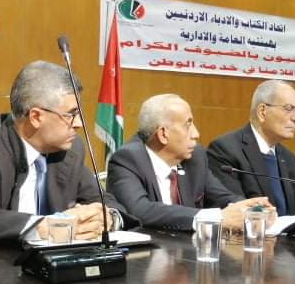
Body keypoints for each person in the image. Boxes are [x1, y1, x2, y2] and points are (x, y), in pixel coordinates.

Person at [0, 60, 133, 245]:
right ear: (36, 117)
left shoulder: (72, 149)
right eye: (71, 114)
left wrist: (107, 218)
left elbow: (104, 201)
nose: (79, 124)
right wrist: (42, 226)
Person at [107, 94, 274, 231]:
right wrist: (215, 218)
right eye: (188, 125)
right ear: (163, 134)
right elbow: (139, 211)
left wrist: (250, 209)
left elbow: (221, 197)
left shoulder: (195, 157)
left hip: (188, 252)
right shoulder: (127, 159)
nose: (196, 134)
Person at [208, 79, 295, 216]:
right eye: (289, 109)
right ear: (262, 111)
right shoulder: (225, 151)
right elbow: (235, 209)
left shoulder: (289, 159)